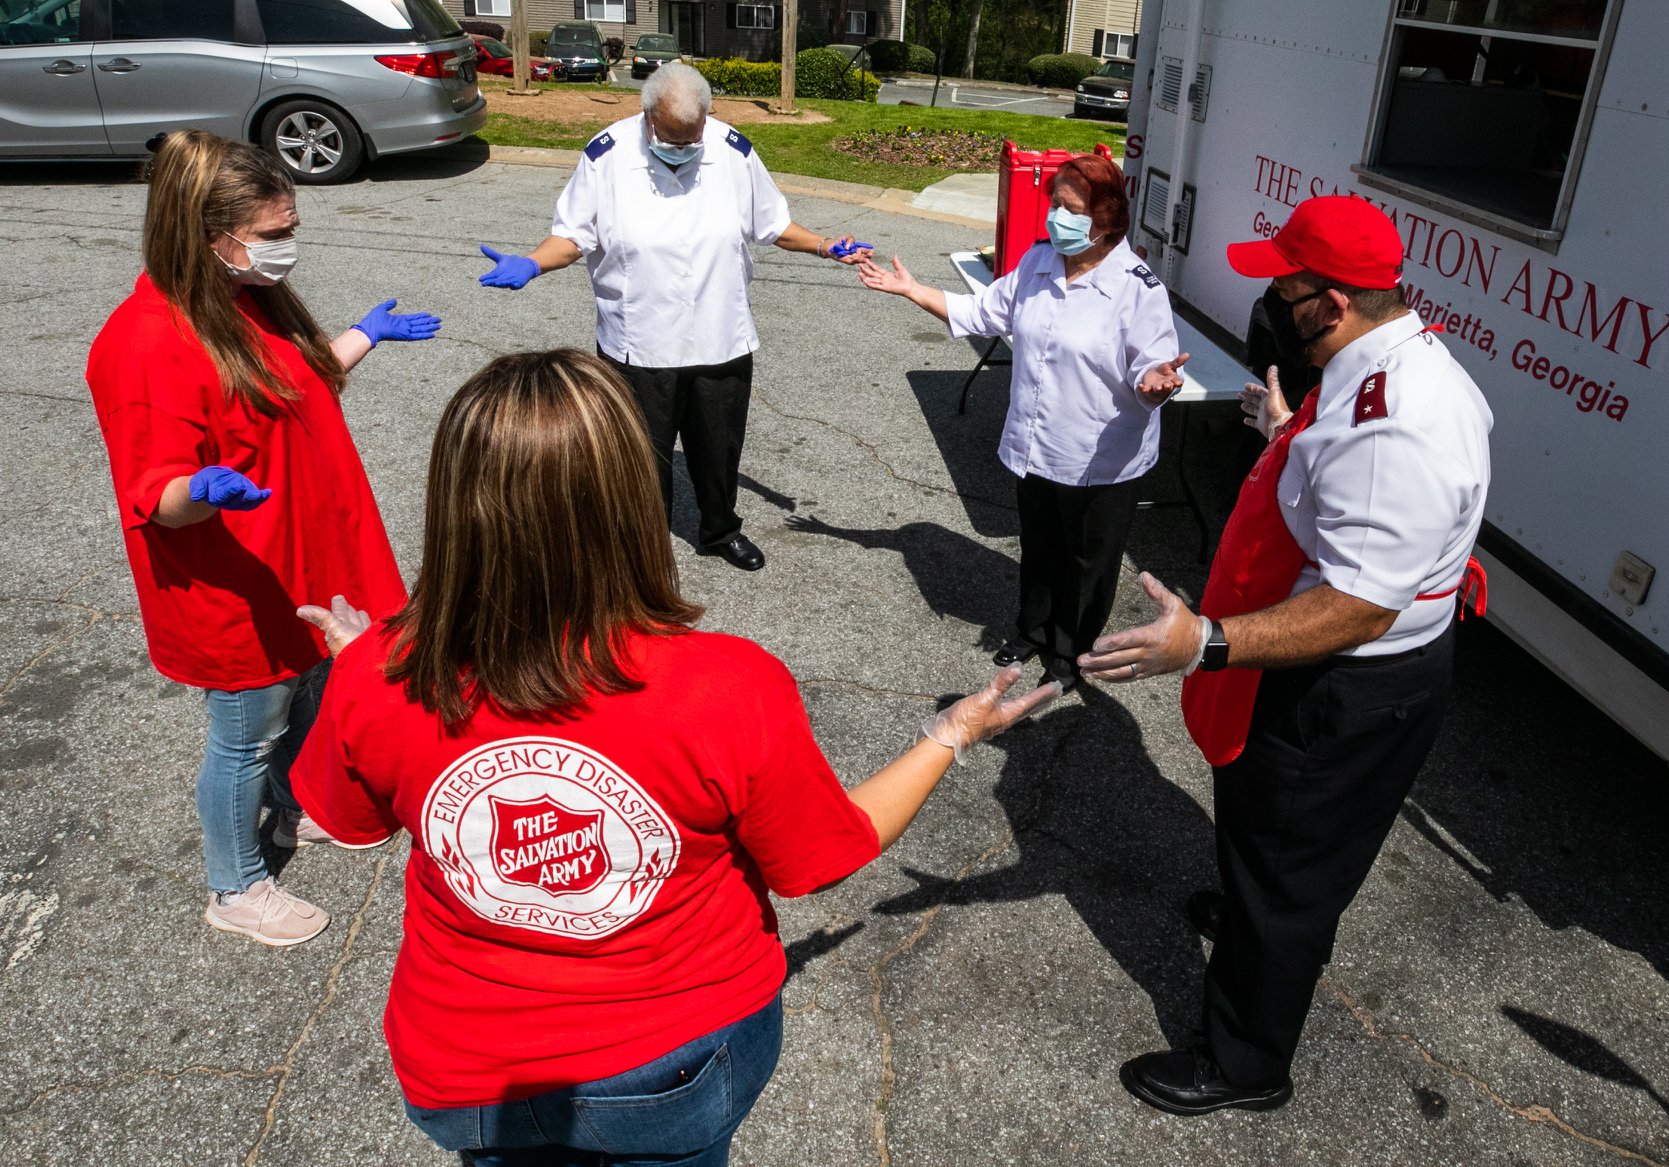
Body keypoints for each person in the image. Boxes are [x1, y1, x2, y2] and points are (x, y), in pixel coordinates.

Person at [289, 349, 1059, 1167]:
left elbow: (354, 824)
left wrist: (367, 664)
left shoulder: (375, 674)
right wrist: (950, 734)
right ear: (631, 500)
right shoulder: (728, 684)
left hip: (465, 1067)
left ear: (452, 504)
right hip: (675, 1057)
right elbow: (821, 857)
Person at [1078, 194, 1493, 1114]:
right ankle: (1252, 915)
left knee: (1291, 869)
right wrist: (1285, 431)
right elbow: (1349, 500)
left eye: (1284, 289)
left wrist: (1206, 641)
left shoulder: (1396, 423)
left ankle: (1244, 1061)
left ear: (1333, 302)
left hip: (1342, 685)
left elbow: (1358, 609)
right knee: (1268, 836)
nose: (1269, 301)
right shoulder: (1376, 361)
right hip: (1337, 674)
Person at [85, 129, 438, 947]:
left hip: (300, 561)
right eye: (274, 233)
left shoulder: (242, 297)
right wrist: (198, 491)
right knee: (247, 734)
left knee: (308, 694)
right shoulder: (146, 343)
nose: (288, 245)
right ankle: (234, 882)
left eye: (290, 227)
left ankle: (290, 808)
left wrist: (361, 336)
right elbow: (156, 495)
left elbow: (293, 387)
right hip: (236, 584)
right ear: (213, 237)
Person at [474, 62, 866, 573]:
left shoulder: (732, 150)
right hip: (639, 341)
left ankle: (720, 530)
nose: (681, 147)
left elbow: (773, 224)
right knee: (640, 455)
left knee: (719, 447)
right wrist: (532, 262)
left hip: (720, 335)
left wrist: (824, 245)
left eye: (692, 136)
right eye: (670, 137)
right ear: (648, 117)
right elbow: (572, 235)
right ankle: (643, 545)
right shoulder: (607, 155)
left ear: (707, 117)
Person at [854, 154, 1189, 690]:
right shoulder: (1039, 261)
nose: (1057, 217)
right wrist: (912, 290)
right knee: (1039, 547)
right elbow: (983, 313)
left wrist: (1155, 382)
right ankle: (1032, 630)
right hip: (1038, 445)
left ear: (1106, 218)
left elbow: (1152, 365)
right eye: (1055, 204)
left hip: (1098, 457)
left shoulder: (1137, 287)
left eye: (1071, 209)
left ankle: (1071, 651)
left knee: (1087, 563)